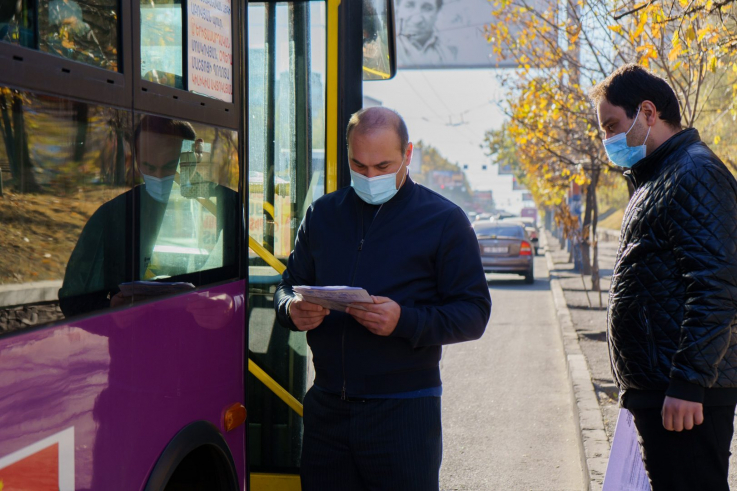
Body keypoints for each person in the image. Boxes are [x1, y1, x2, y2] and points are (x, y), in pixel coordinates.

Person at [274, 107, 491, 490]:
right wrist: (291, 308)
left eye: (382, 165)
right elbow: (288, 285)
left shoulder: (444, 221)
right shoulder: (322, 214)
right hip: (327, 409)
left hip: (405, 411)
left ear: (407, 154)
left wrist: (404, 321)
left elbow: (474, 313)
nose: (370, 176)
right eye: (359, 165)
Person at [591, 64, 737, 491]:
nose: (607, 140)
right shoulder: (659, 176)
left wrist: (689, 382)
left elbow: (716, 286)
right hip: (663, 388)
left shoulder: (693, 173)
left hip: (685, 394)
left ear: (649, 113)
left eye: (613, 125)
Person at [59, 115, 235, 317]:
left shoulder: (228, 206)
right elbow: (73, 299)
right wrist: (110, 311)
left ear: (196, 153)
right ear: (136, 158)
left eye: (171, 166)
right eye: (149, 168)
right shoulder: (112, 216)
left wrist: (232, 304)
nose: (159, 177)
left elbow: (260, 283)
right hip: (134, 343)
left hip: (210, 344)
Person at [396, 0, 457, 67]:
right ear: (397, 9)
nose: (416, 20)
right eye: (409, 6)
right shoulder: (386, 47)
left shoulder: (450, 52)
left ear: (437, 13)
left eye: (427, 8)